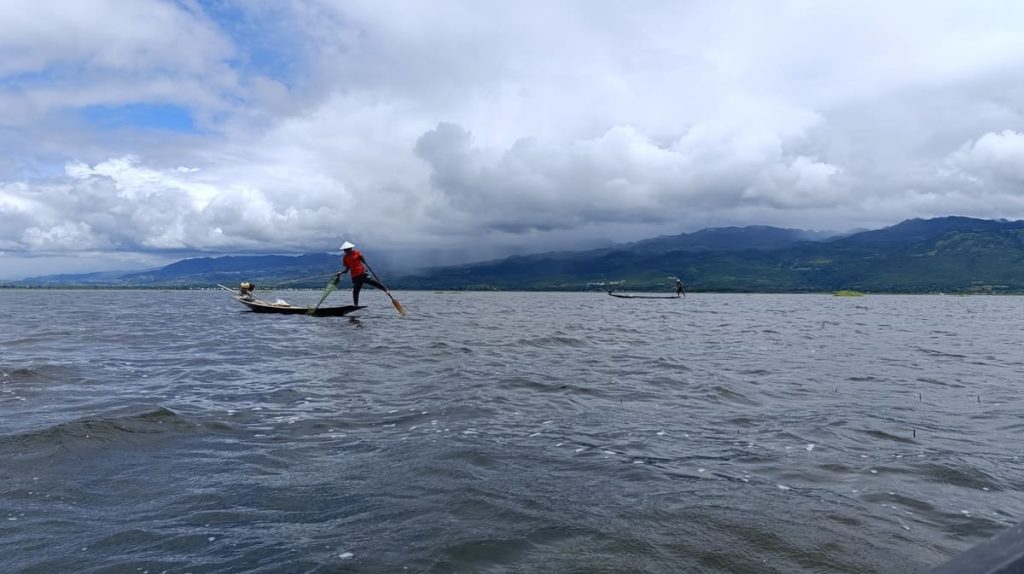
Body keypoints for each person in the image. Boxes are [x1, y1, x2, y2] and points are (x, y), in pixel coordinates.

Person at [336, 241, 389, 306]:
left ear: (350, 248)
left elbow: (362, 259)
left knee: (371, 282)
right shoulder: (345, 258)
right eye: (344, 250)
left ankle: (385, 289)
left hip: (362, 273)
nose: (344, 251)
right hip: (355, 277)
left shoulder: (357, 253)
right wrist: (340, 273)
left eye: (346, 249)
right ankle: (356, 305)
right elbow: (347, 269)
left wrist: (362, 258)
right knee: (355, 291)